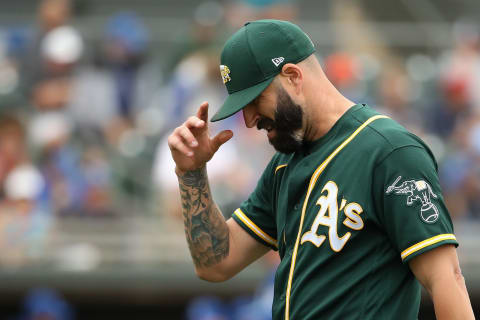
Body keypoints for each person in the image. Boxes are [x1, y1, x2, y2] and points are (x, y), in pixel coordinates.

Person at [167, 20, 474, 319]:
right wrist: (191, 174)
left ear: (292, 76)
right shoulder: (284, 164)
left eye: (254, 100)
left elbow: (447, 279)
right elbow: (216, 263)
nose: (249, 120)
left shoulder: (389, 152)